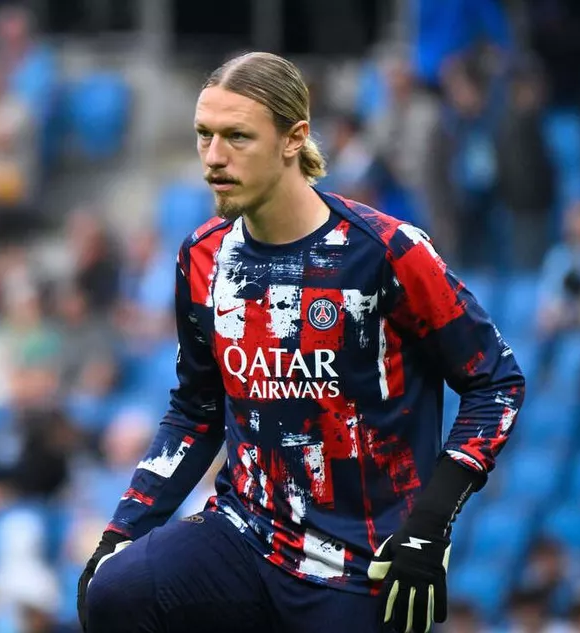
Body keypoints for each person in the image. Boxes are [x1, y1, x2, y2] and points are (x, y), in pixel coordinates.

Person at [76, 51, 525, 633]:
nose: (214, 156)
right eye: (205, 135)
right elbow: (196, 408)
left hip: (360, 567)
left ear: (294, 139)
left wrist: (429, 524)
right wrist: (121, 532)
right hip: (245, 535)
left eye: (237, 136)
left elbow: (496, 383)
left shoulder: (387, 251)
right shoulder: (203, 256)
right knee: (115, 594)